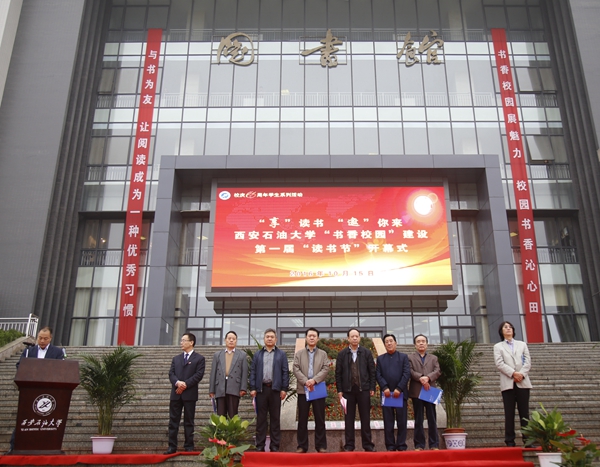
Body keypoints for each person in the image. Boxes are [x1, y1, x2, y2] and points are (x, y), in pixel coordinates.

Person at [7, 326, 66, 454]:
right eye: (40, 338)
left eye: (45, 338)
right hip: (29, 391)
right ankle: (14, 447)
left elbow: (61, 369)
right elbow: (19, 365)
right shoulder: (29, 351)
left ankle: (49, 447)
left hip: (49, 391)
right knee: (23, 417)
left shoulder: (57, 352)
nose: (42, 341)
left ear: (50, 338)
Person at [335, 328, 376, 452]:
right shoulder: (342, 354)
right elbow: (338, 373)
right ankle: (349, 445)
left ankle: (368, 445)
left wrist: (372, 387)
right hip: (347, 392)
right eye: (352, 336)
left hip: (364, 390)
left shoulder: (366, 353)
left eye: (356, 336)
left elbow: (372, 371)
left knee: (365, 418)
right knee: (349, 419)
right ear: (348, 338)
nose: (354, 338)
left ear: (359, 338)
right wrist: (340, 390)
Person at [165, 332, 205, 454]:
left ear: (191, 342)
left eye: (184, 340)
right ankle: (172, 446)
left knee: (189, 421)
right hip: (176, 394)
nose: (181, 342)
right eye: (181, 340)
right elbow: (171, 374)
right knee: (173, 421)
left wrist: (185, 384)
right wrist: (178, 383)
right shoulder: (176, 359)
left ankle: (189, 445)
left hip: (190, 395)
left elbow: (198, 375)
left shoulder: (199, 359)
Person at [249, 328, 289, 452]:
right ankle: (260, 446)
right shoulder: (258, 354)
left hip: (275, 390)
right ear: (264, 339)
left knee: (275, 419)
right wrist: (253, 387)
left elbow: (285, 372)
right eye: (267, 337)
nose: (270, 339)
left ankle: (274, 446)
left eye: (272, 337)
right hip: (261, 390)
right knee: (261, 419)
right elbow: (253, 372)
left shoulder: (281, 354)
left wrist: (284, 389)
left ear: (276, 339)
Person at [493, 321, 532, 447]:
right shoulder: (498, 347)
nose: (508, 329)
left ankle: (528, 440)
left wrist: (521, 374)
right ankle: (510, 440)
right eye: (505, 327)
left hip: (523, 382)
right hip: (508, 383)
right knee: (509, 413)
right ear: (501, 331)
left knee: (524, 413)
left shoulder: (522, 344)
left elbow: (527, 361)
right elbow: (499, 363)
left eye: (510, 327)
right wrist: (513, 373)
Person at [292, 327, 330, 453]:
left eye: (314, 336)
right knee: (302, 419)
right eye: (310, 336)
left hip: (317, 389)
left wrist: (314, 380)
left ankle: (321, 446)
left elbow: (326, 368)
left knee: (320, 418)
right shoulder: (299, 354)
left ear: (318, 338)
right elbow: (295, 368)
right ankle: (302, 446)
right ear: (306, 338)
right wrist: (305, 381)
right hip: (303, 390)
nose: (312, 338)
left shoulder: (323, 354)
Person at [376, 333, 411, 451]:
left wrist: (399, 388)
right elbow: (378, 374)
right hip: (387, 395)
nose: (389, 343)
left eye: (391, 341)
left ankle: (401, 445)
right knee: (388, 422)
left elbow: (406, 373)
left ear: (395, 343)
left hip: (400, 394)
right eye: (387, 342)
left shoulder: (403, 357)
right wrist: (384, 387)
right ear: (384, 344)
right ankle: (390, 445)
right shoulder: (381, 359)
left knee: (402, 421)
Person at [408, 334, 441, 451]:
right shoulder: (410, 358)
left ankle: (434, 444)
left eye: (423, 341)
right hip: (417, 391)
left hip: (430, 390)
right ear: (415, 345)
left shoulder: (434, 358)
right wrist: (421, 377)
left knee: (432, 418)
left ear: (427, 344)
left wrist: (428, 378)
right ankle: (419, 445)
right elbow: (410, 371)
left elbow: (437, 371)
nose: (421, 343)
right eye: (418, 341)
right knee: (418, 419)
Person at [209, 331, 248, 418]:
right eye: (229, 338)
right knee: (220, 414)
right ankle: (221, 428)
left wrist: (243, 388)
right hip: (220, 387)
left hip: (234, 386)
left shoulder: (242, 355)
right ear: (225, 340)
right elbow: (213, 372)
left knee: (233, 414)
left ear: (236, 341)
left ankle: (232, 427)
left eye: (233, 339)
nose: (231, 340)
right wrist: (211, 390)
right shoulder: (217, 355)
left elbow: (244, 372)